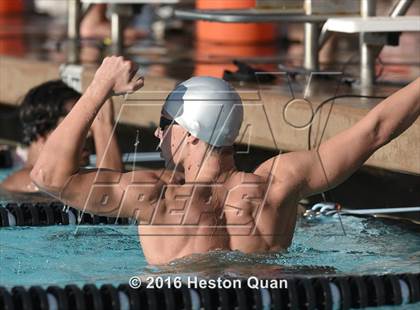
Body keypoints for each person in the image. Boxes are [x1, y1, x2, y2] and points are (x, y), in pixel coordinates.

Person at [30, 56, 420, 265]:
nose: (157, 134)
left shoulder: (157, 197)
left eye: (164, 125)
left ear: (191, 132)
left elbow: (48, 175)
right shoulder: (279, 182)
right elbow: (376, 130)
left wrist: (100, 85)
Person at [1, 80, 123, 192]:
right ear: (42, 133)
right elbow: (111, 198)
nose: (89, 133)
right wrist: (103, 126)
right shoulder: (22, 181)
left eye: (89, 123)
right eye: (79, 126)